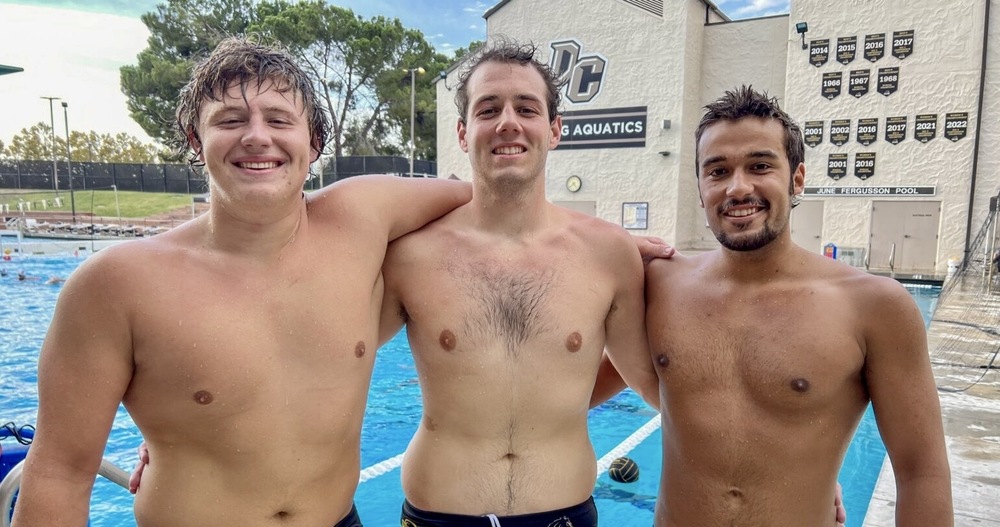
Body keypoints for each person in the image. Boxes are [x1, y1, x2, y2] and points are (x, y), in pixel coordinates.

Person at [11, 36, 472, 527]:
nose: (256, 136)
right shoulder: (117, 283)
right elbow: (60, 473)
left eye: (279, 120)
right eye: (230, 120)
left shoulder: (362, 216)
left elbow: (483, 197)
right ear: (196, 139)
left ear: (314, 140)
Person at [378, 38, 661, 527]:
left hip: (563, 513)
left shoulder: (608, 254)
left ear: (555, 130)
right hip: (439, 514)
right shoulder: (410, 257)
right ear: (463, 133)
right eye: (488, 109)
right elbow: (335, 365)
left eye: (526, 108)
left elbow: (654, 381)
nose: (508, 122)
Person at [643, 85, 953, 526]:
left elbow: (921, 470)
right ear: (699, 188)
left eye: (760, 165)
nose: (738, 187)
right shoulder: (659, 284)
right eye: (717, 171)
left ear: (797, 179)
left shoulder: (872, 305)